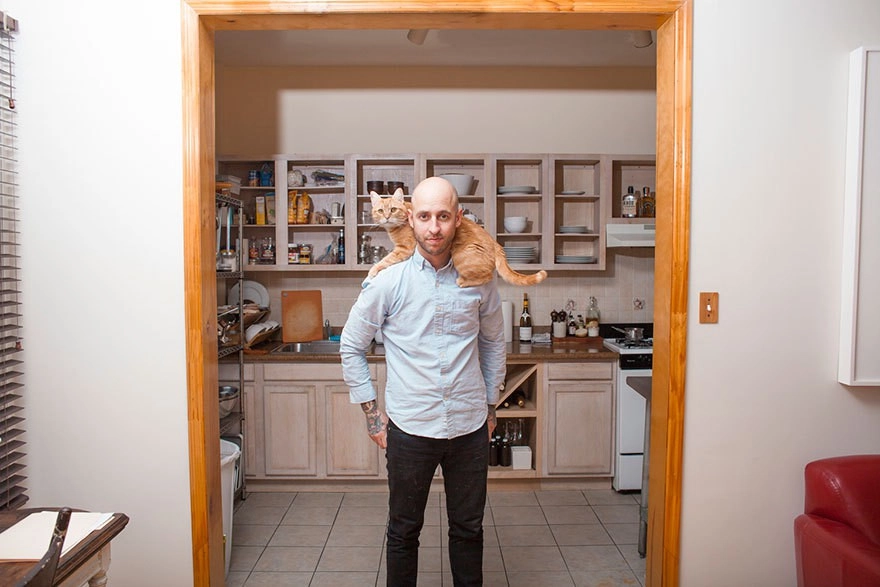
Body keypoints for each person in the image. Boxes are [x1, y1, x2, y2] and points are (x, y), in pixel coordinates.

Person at [340, 176, 507, 586]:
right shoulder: (387, 282)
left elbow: (493, 343)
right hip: (410, 427)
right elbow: (351, 346)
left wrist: (490, 407)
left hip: (469, 426)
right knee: (403, 532)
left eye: (444, 217)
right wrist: (373, 416)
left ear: (458, 219)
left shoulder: (480, 279)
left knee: (468, 530)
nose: (434, 228)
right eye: (426, 216)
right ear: (411, 218)